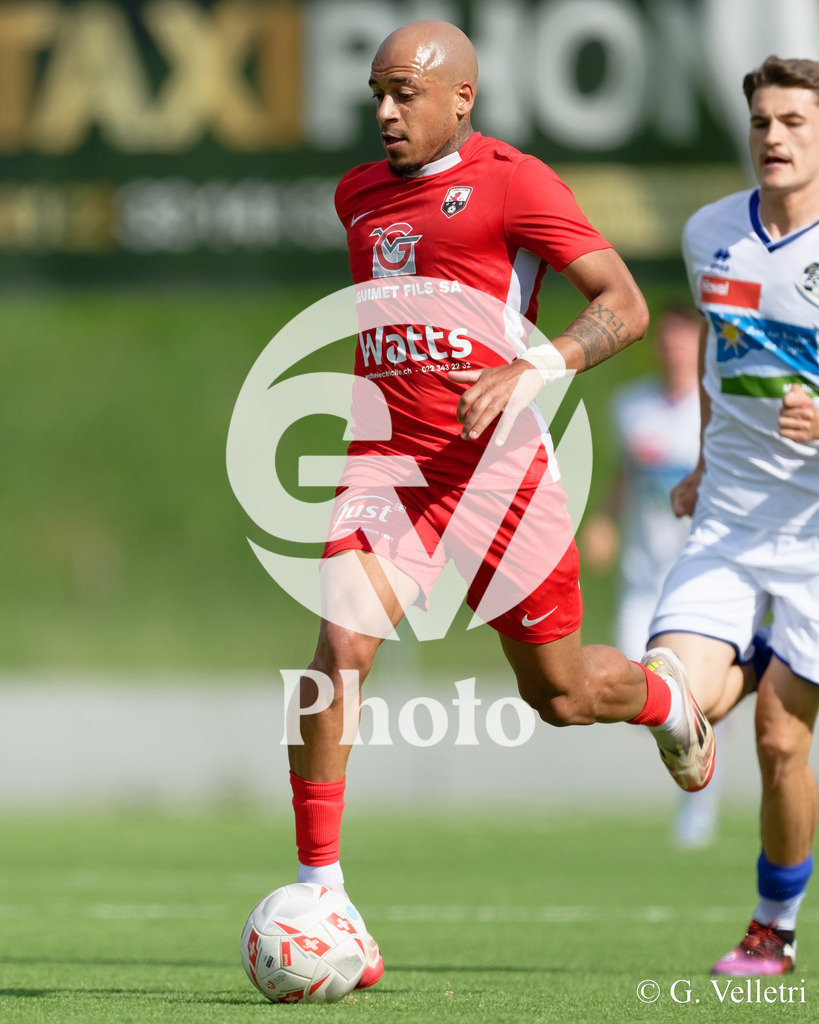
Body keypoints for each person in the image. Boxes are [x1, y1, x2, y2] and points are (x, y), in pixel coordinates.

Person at [285, 20, 714, 989]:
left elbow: (624, 304)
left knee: (559, 696)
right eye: (377, 94)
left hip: (500, 481)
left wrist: (537, 365)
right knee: (338, 652)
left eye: (407, 94)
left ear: (462, 99)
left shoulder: (516, 182)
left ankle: (661, 696)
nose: (386, 112)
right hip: (388, 473)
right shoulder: (356, 197)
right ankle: (322, 890)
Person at [647, 54, 819, 976]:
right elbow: (721, 363)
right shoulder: (710, 233)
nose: (774, 138)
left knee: (781, 739)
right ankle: (740, 664)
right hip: (730, 515)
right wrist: (703, 462)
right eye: (761, 122)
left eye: (793, 120)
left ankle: (772, 932)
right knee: (664, 691)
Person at [581, 305, 726, 849]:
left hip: (697, 577)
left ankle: (698, 804)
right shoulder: (631, 407)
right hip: (641, 579)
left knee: (699, 690)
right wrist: (604, 521)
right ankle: (699, 739)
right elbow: (624, 475)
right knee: (634, 683)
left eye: (683, 343)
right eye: (665, 342)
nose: (673, 351)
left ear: (698, 349)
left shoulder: (714, 413)